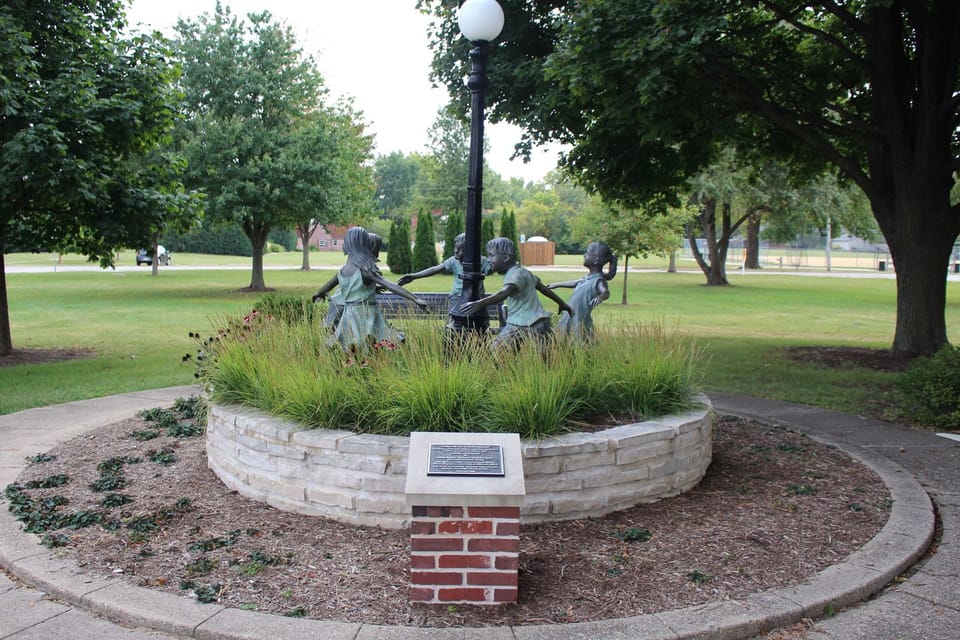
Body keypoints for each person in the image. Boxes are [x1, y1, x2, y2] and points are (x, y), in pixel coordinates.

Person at [312, 227, 428, 351]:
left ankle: (359, 367)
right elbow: (390, 285)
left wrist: (319, 293)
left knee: (356, 347)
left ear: (350, 245)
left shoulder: (344, 271)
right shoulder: (364, 271)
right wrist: (415, 299)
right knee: (367, 346)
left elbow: (326, 287)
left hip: (351, 316)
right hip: (366, 315)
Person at [459, 237, 572, 351]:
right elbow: (544, 289)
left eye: (491, 255)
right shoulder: (523, 272)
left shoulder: (516, 275)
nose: (488, 260)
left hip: (523, 323)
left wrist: (480, 303)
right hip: (537, 322)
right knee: (543, 356)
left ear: (506, 257)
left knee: (497, 350)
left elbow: (504, 293)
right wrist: (562, 303)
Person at [397, 232, 492, 324]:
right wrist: (414, 276)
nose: (456, 251)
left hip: (477, 299)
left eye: (460, 249)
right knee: (452, 323)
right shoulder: (453, 261)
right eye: (455, 247)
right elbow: (435, 269)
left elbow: (494, 267)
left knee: (481, 323)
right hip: (456, 297)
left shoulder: (481, 261)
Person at [548, 242, 617, 342]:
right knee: (563, 338)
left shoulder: (599, 280)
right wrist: (557, 284)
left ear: (596, 260)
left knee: (580, 340)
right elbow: (576, 283)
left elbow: (606, 292)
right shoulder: (588, 278)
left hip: (579, 319)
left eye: (588, 253)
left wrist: (601, 297)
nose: (584, 255)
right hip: (570, 315)